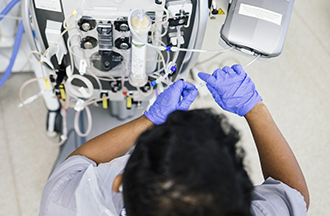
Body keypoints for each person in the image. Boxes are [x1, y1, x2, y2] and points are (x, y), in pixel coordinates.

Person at [40, 65, 309, 216]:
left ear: (119, 183)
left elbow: (80, 162)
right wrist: (253, 107)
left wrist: (149, 120)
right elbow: (292, 193)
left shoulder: (64, 204)